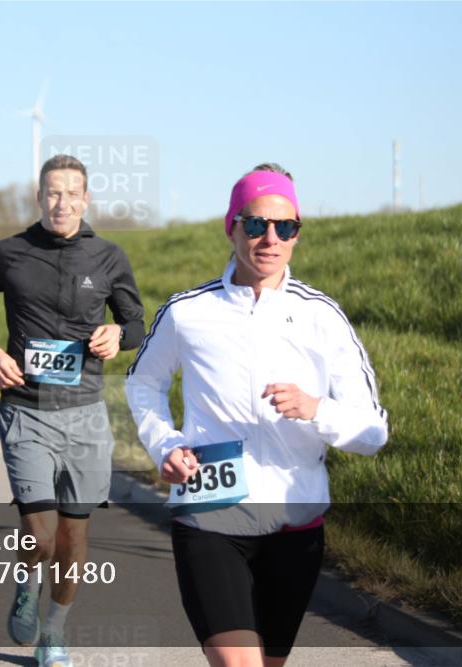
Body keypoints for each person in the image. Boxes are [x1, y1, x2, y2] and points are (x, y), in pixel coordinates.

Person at [125, 163, 389, 667]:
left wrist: (318, 410)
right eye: (256, 224)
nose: (270, 238)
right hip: (210, 515)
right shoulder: (187, 311)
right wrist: (165, 444)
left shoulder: (322, 317)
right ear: (232, 227)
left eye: (285, 227)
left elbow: (373, 432)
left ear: (296, 235)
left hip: (296, 523)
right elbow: (143, 383)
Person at [0, 154, 145, 667]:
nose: (62, 202)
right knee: (41, 535)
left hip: (85, 413)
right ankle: (26, 581)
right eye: (52, 192)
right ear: (39, 197)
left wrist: (117, 335)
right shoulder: (8, 253)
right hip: (26, 409)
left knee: (74, 536)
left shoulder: (108, 256)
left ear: (86, 200)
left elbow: (135, 324)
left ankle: (55, 633)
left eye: (72, 193)